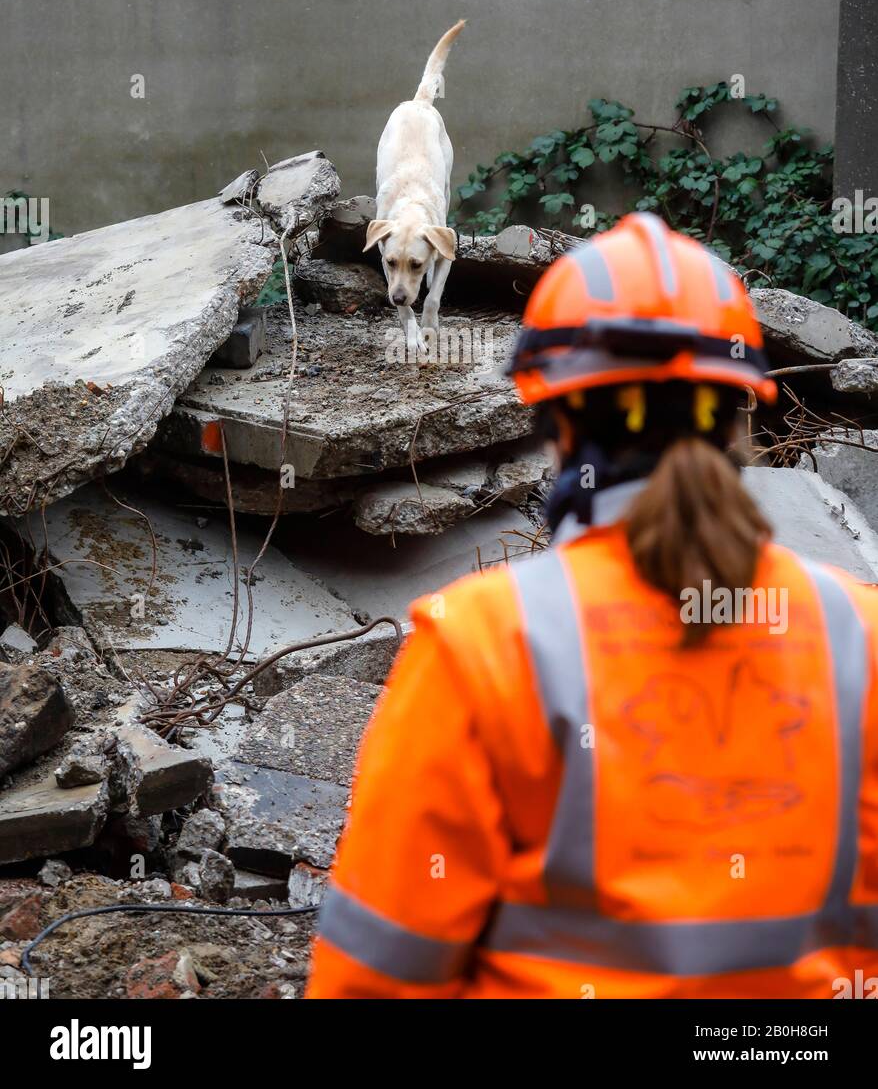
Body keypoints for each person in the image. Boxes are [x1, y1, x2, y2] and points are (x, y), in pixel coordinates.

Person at [306, 212, 878, 998]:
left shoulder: (484, 646)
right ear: (741, 415)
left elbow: (373, 981)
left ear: (552, 418)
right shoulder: (859, 635)